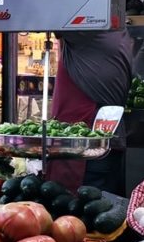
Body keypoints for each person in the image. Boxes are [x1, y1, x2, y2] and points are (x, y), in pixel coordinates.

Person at [44, 29, 133, 195]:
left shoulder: (86, 30)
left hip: (84, 149)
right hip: (102, 143)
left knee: (81, 212)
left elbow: (43, 14)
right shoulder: (115, 30)